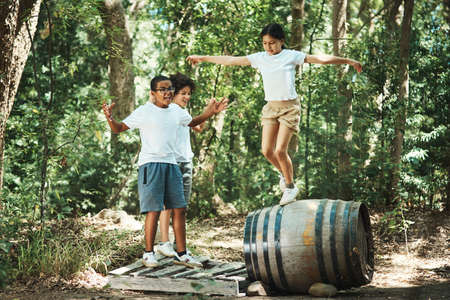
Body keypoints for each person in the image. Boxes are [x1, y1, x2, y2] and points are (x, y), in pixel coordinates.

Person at [187, 23, 362, 206]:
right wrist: (202, 58)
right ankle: (284, 174)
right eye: (265, 43)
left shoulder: (291, 56)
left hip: (289, 108)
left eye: (272, 43)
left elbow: (320, 59)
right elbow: (231, 60)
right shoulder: (260, 58)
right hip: (270, 108)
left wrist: (348, 61)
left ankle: (290, 185)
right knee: (267, 151)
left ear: (281, 41)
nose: (268, 47)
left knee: (280, 150)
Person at [102, 75, 228, 268]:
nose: (167, 92)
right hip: (151, 164)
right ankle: (148, 253)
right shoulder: (145, 111)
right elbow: (119, 128)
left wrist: (211, 112)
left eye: (169, 89)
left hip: (172, 164)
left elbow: (194, 122)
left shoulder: (177, 112)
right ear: (153, 93)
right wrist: (110, 118)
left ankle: (182, 253)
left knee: (180, 209)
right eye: (162, 89)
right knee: (153, 210)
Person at [156, 73, 207, 258]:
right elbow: (195, 123)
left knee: (181, 207)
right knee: (168, 206)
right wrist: (210, 111)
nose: (187, 97)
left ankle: (179, 244)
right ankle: (163, 243)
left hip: (186, 162)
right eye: (183, 93)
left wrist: (209, 112)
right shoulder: (171, 110)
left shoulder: (182, 112)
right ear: (173, 94)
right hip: (173, 163)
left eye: (189, 93)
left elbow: (198, 128)